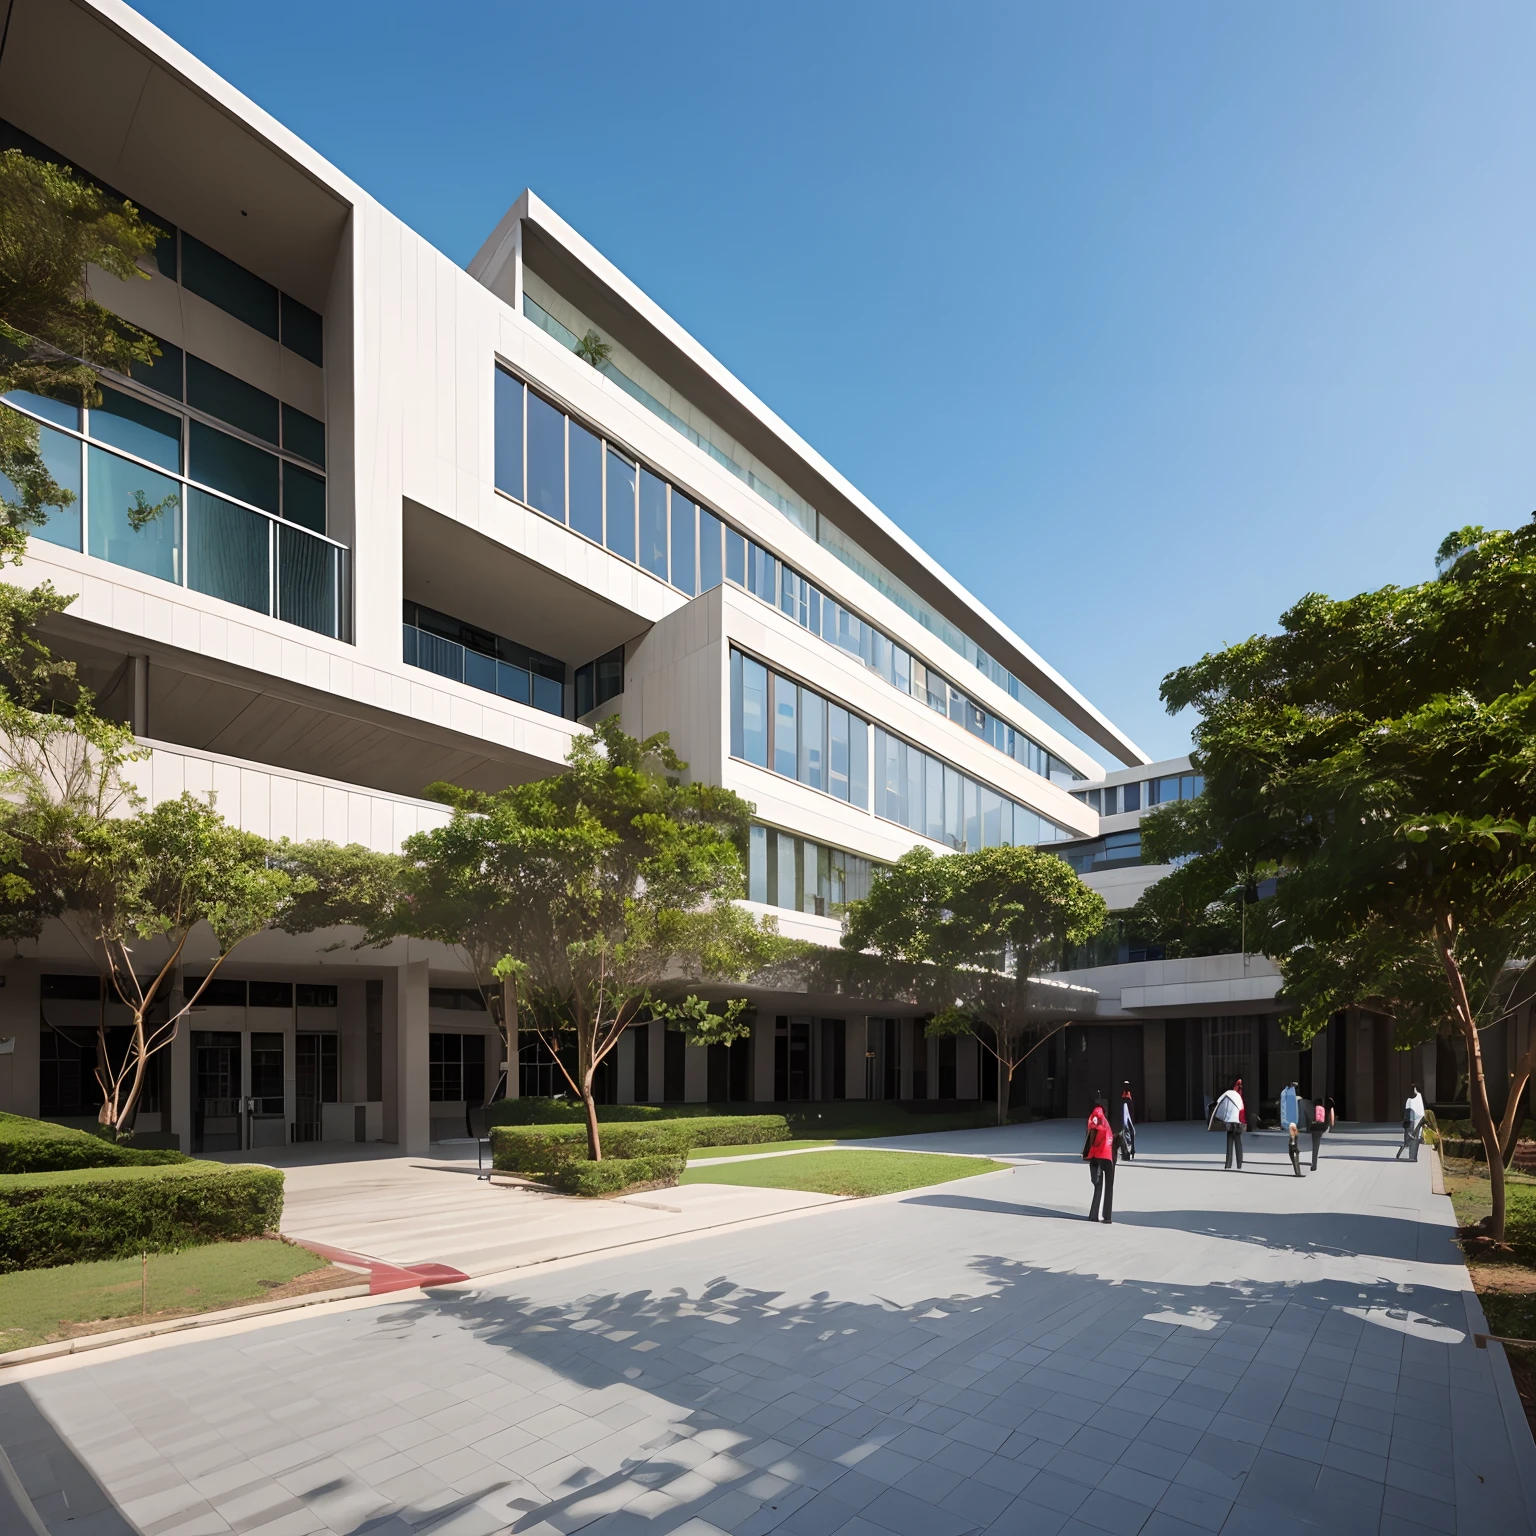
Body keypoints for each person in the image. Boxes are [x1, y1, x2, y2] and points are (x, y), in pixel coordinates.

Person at [1083, 1095, 1115, 1222]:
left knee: (1098, 1185)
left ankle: (1094, 1214)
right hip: (1108, 1154)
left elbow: (1092, 1134)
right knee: (1109, 1186)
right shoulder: (1106, 1122)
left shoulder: (1093, 1118)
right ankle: (1107, 1216)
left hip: (1097, 1155)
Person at [1213, 1078, 1245, 1170]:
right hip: (1237, 1121)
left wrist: (1221, 1117)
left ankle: (1228, 1164)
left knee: (1229, 1142)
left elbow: (1218, 1104)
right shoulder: (1239, 1096)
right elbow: (1242, 1109)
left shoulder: (1226, 1094)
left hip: (1229, 1121)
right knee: (1238, 1143)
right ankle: (1239, 1165)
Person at [1397, 1085, 1426, 1162]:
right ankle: (1412, 1156)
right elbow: (1422, 1114)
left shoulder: (1410, 1101)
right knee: (1414, 1139)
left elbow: (1408, 1113)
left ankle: (1409, 1156)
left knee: (1410, 1139)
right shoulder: (1419, 1099)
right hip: (1417, 1121)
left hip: (1411, 1121)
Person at [1308, 1095, 1334, 1170]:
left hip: (1314, 1127)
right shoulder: (1329, 1107)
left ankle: (1314, 1164)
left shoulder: (1313, 1107)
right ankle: (1314, 1163)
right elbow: (1332, 1122)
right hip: (1323, 1126)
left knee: (1315, 1145)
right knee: (1317, 1144)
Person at [1118, 1081, 1136, 1161]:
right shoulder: (1127, 1097)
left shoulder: (1126, 1097)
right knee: (1128, 1133)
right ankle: (1129, 1151)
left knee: (1127, 1133)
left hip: (1127, 1119)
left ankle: (1128, 1151)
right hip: (1128, 1119)